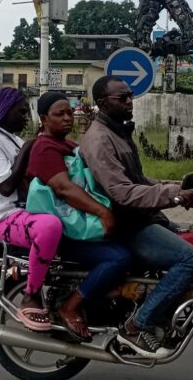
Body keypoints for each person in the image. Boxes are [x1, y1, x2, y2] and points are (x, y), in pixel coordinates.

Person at [80, 76, 193, 359]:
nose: (129, 103)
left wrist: (174, 187)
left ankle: (164, 308)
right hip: (127, 224)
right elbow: (122, 192)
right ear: (102, 103)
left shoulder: (117, 133)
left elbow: (136, 178)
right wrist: (172, 194)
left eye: (130, 97)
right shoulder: (99, 140)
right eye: (121, 98)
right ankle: (137, 325)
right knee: (192, 260)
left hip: (141, 217)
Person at [26, 91, 132, 344]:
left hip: (80, 224)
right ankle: (70, 306)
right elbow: (64, 188)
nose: (67, 118)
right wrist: (103, 212)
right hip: (65, 232)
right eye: (59, 114)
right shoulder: (44, 148)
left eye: (69, 113)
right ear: (43, 118)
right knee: (119, 258)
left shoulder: (69, 145)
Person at [0, 87, 62, 334]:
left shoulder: (14, 139)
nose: (26, 117)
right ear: (5, 110)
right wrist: (28, 151)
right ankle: (31, 296)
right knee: (49, 227)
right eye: (22, 112)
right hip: (6, 216)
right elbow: (5, 187)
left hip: (27, 211)